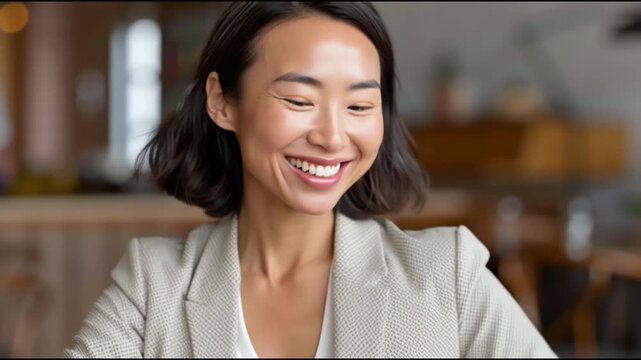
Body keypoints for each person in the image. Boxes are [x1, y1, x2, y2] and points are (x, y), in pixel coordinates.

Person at [64, 2, 556, 358]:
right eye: (300, 101)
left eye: (360, 106)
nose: (332, 136)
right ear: (223, 102)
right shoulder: (155, 284)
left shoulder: (445, 276)